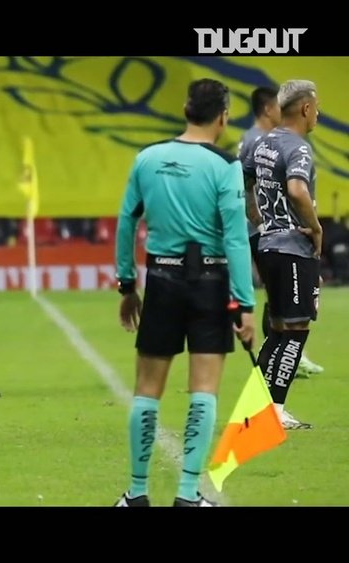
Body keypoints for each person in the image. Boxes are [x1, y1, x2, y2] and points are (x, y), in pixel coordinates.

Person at [113, 79, 256, 507]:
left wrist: (126, 284)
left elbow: (125, 222)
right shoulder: (224, 165)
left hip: (161, 281)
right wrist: (244, 303)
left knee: (145, 390)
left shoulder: (147, 158)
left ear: (185, 109)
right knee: (204, 390)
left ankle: (136, 494)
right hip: (210, 285)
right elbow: (235, 238)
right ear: (224, 116)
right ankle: (188, 495)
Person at [243, 79, 323, 431]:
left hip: (267, 245)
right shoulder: (298, 148)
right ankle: (273, 410)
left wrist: (255, 214)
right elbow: (296, 189)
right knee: (296, 329)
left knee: (277, 330)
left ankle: (258, 407)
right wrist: (316, 228)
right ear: (306, 109)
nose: (318, 113)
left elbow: (243, 181)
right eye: (316, 107)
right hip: (293, 248)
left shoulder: (262, 143)